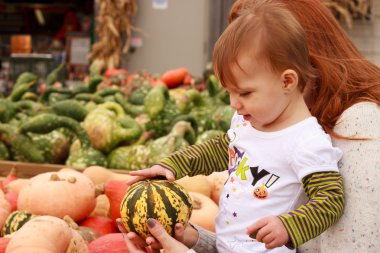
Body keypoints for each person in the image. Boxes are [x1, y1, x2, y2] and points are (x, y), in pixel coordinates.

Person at [121, 1, 346, 252]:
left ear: (287, 81)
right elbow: (220, 150)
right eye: (229, 92)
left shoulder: (306, 141)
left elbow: (330, 200)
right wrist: (171, 165)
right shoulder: (248, 120)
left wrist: (289, 227)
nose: (234, 103)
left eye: (245, 93)